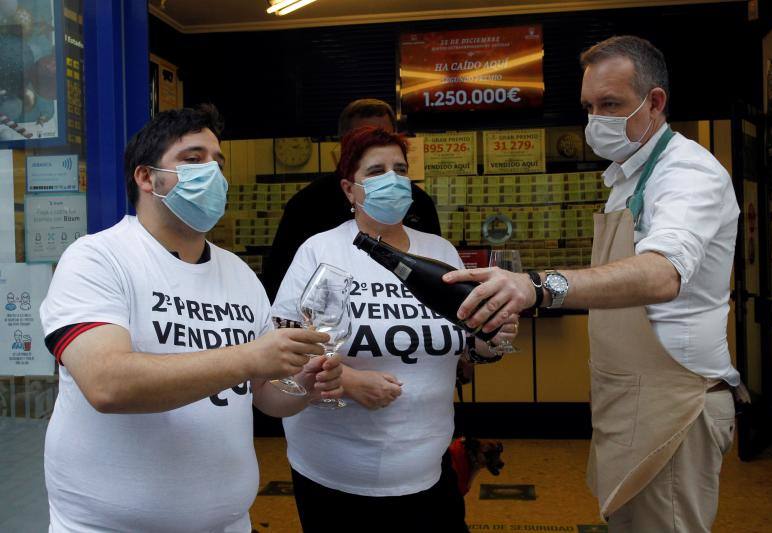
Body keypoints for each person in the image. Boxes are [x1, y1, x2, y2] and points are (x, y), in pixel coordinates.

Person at [444, 36, 741, 532]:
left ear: (655, 102)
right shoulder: (627, 176)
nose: (595, 120)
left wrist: (538, 286)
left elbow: (662, 272)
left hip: (674, 409)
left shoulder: (687, 173)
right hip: (626, 400)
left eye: (611, 104)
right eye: (588, 107)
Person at [38, 105, 342, 533]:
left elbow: (266, 397)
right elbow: (107, 384)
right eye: (193, 159)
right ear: (146, 178)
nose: (213, 173)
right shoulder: (97, 258)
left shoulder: (238, 274)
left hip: (229, 522)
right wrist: (254, 357)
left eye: (218, 162)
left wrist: (304, 383)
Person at [270, 126, 517, 532]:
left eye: (400, 169)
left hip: (428, 472)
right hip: (334, 477)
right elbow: (284, 343)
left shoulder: (439, 251)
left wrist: (493, 340)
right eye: (377, 170)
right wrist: (347, 380)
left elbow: (467, 347)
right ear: (350, 190)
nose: (393, 180)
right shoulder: (320, 250)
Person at [263, 98, 440, 302]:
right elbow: (280, 277)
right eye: (364, 134)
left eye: (384, 134)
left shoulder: (420, 202)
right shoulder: (308, 205)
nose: (376, 141)